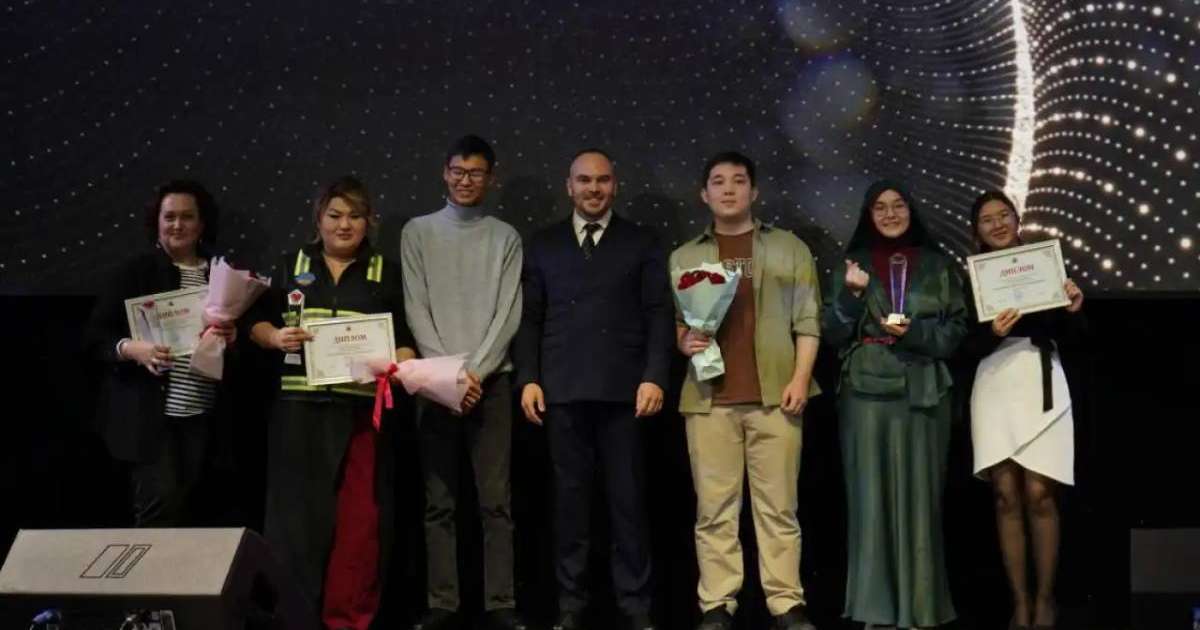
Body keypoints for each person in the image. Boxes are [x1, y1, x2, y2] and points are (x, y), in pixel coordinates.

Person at [249, 176, 416, 630]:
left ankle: (348, 621)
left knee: (358, 525)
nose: (344, 225)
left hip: (361, 415)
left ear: (369, 222)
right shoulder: (290, 265)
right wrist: (275, 337)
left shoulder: (386, 272)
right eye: (335, 215)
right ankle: (294, 620)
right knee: (295, 525)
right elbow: (256, 324)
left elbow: (405, 340)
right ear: (318, 219)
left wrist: (399, 365)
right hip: (298, 411)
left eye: (355, 216)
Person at [514, 148, 672, 630]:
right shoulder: (543, 244)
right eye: (584, 180)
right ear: (569, 187)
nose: (593, 189)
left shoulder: (642, 241)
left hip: (625, 394)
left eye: (602, 180)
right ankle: (571, 606)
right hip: (561, 393)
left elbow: (659, 313)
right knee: (569, 506)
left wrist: (654, 375)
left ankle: (636, 606)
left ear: (614, 185)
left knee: (628, 505)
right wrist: (528, 378)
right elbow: (530, 318)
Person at [669, 152, 821, 630]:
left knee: (779, 509)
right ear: (704, 194)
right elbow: (679, 324)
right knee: (714, 510)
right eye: (718, 181)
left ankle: (786, 602)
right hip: (709, 401)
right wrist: (684, 341)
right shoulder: (685, 256)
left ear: (754, 191)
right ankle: (717, 603)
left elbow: (808, 320)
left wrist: (800, 378)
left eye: (738, 181)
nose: (729, 189)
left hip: (777, 397)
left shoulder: (789, 247)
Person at [820, 181, 966, 629]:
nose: (890, 214)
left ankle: (920, 608)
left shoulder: (940, 266)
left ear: (911, 210)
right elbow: (831, 332)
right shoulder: (851, 266)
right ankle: (876, 611)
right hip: (865, 394)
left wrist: (915, 334)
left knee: (922, 503)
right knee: (870, 501)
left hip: (924, 391)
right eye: (880, 207)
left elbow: (956, 332)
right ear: (868, 215)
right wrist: (851, 296)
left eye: (898, 205)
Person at [400, 135, 526, 630]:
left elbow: (508, 313)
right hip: (435, 385)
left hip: (490, 385)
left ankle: (501, 603)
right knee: (439, 503)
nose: (465, 180)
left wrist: (474, 373)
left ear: (490, 178)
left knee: (496, 502)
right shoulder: (417, 232)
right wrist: (448, 376)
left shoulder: (505, 237)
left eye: (475, 172)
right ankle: (443, 603)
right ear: (444, 173)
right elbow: (416, 307)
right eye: (458, 171)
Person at [962, 191, 1085, 630]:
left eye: (1004, 215)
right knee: (1006, 496)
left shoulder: (1046, 265)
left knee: (1039, 494)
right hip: (994, 382)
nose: (997, 224)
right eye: (987, 219)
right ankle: (1020, 604)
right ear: (976, 230)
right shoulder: (971, 279)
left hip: (1041, 378)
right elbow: (962, 346)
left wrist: (1072, 309)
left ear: (1017, 220)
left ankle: (1046, 601)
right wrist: (991, 333)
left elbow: (1071, 336)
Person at [85, 180, 238, 527]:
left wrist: (233, 336)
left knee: (193, 512)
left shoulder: (221, 275)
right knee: (158, 512)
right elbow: (95, 338)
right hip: (151, 418)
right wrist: (131, 349)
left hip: (204, 415)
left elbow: (238, 349)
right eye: (169, 217)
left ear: (202, 223)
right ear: (156, 222)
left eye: (187, 217)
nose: (177, 225)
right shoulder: (135, 272)